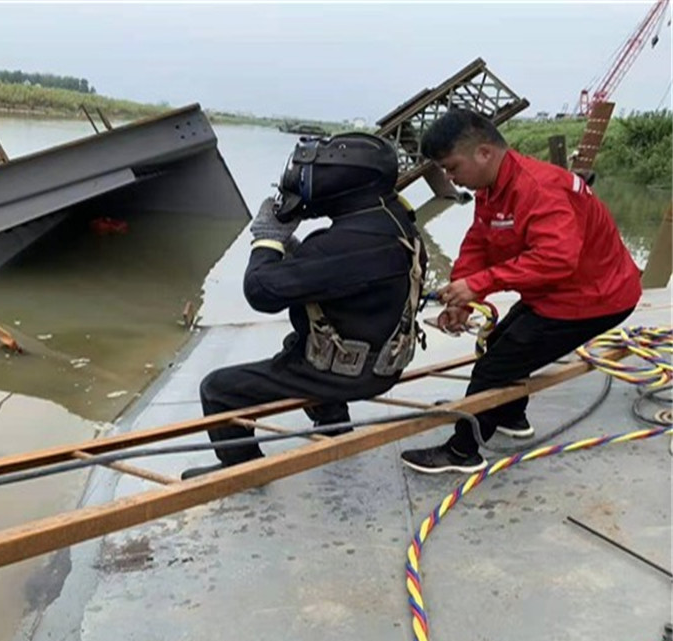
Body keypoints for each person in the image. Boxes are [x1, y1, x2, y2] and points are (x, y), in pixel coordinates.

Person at [401, 108, 642, 475]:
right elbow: (479, 240)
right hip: (559, 292)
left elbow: (557, 259)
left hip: (596, 297)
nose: (450, 178)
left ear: (484, 152)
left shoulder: (541, 189)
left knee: (492, 369)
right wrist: (465, 297)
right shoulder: (492, 185)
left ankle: (463, 451)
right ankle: (511, 416)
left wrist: (480, 284)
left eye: (452, 168)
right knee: (498, 344)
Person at [182, 133, 426, 479]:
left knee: (219, 389)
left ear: (346, 181)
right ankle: (334, 425)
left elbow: (261, 292)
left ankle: (242, 469)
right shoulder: (396, 220)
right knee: (297, 344)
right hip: (386, 357)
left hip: (350, 375)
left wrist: (267, 238)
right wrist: (295, 251)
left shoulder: (341, 245)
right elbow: (347, 275)